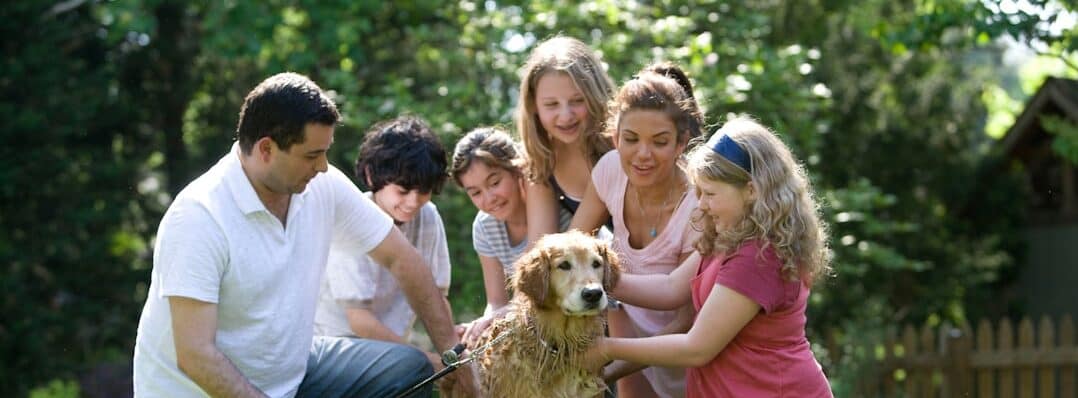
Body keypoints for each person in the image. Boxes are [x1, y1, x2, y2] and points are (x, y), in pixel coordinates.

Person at [132, 72, 477, 398]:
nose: (324, 166)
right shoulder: (199, 216)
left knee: (409, 367)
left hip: (294, 373)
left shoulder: (321, 185)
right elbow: (195, 355)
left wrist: (454, 355)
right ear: (266, 149)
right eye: (312, 155)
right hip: (202, 390)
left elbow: (401, 258)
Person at [586, 116, 835, 397]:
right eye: (699, 193)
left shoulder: (759, 257)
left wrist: (605, 348)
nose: (701, 205)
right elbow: (671, 287)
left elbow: (697, 348)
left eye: (710, 194)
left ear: (751, 190)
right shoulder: (728, 237)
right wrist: (594, 279)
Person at [570, 62, 705, 398]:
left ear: (681, 143)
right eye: (630, 139)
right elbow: (570, 248)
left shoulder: (700, 206)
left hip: (689, 360)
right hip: (632, 343)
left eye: (660, 142)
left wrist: (608, 366)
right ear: (615, 137)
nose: (642, 155)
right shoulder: (610, 170)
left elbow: (685, 320)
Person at [312, 116, 455, 377]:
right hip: (336, 348)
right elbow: (359, 321)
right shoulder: (352, 217)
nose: (413, 202)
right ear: (371, 175)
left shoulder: (428, 216)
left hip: (392, 351)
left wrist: (454, 354)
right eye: (402, 191)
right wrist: (427, 360)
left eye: (423, 192)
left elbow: (435, 299)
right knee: (415, 371)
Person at [448, 127, 572, 345]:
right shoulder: (485, 228)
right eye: (475, 193)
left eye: (495, 183)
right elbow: (496, 301)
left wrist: (505, 313)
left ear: (517, 172)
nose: (489, 198)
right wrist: (487, 323)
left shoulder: (555, 212)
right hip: (535, 321)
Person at [518, 35, 616, 245]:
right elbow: (541, 245)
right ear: (533, 105)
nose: (565, 115)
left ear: (595, 96)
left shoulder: (620, 144)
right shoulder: (542, 162)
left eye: (577, 101)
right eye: (551, 105)